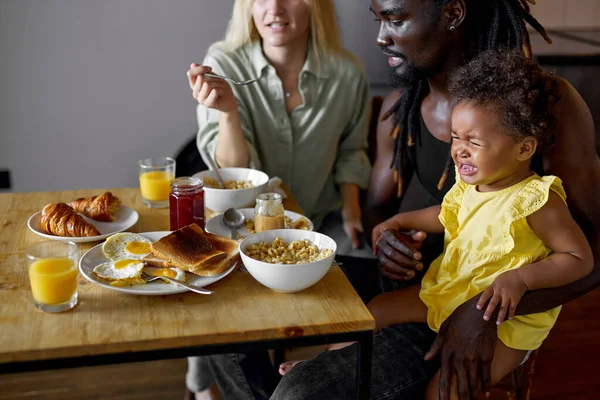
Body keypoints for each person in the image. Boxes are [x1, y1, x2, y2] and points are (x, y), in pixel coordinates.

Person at [271, 0, 600, 399]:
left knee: (304, 392)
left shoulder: (542, 106)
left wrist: (482, 312)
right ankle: (318, 366)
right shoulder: (401, 107)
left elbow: (588, 256)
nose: (380, 36)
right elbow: (401, 210)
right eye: (378, 20)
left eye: (395, 19)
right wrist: (388, 236)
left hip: (492, 309)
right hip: (433, 282)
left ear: (453, 13)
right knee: (264, 301)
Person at [185, 0, 372, 398]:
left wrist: (352, 208)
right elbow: (231, 171)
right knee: (212, 286)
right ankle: (209, 387)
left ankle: (314, 378)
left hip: (317, 219)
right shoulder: (223, 63)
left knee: (365, 276)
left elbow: (352, 150)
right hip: (243, 223)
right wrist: (229, 111)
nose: (275, 7)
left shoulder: (346, 71)